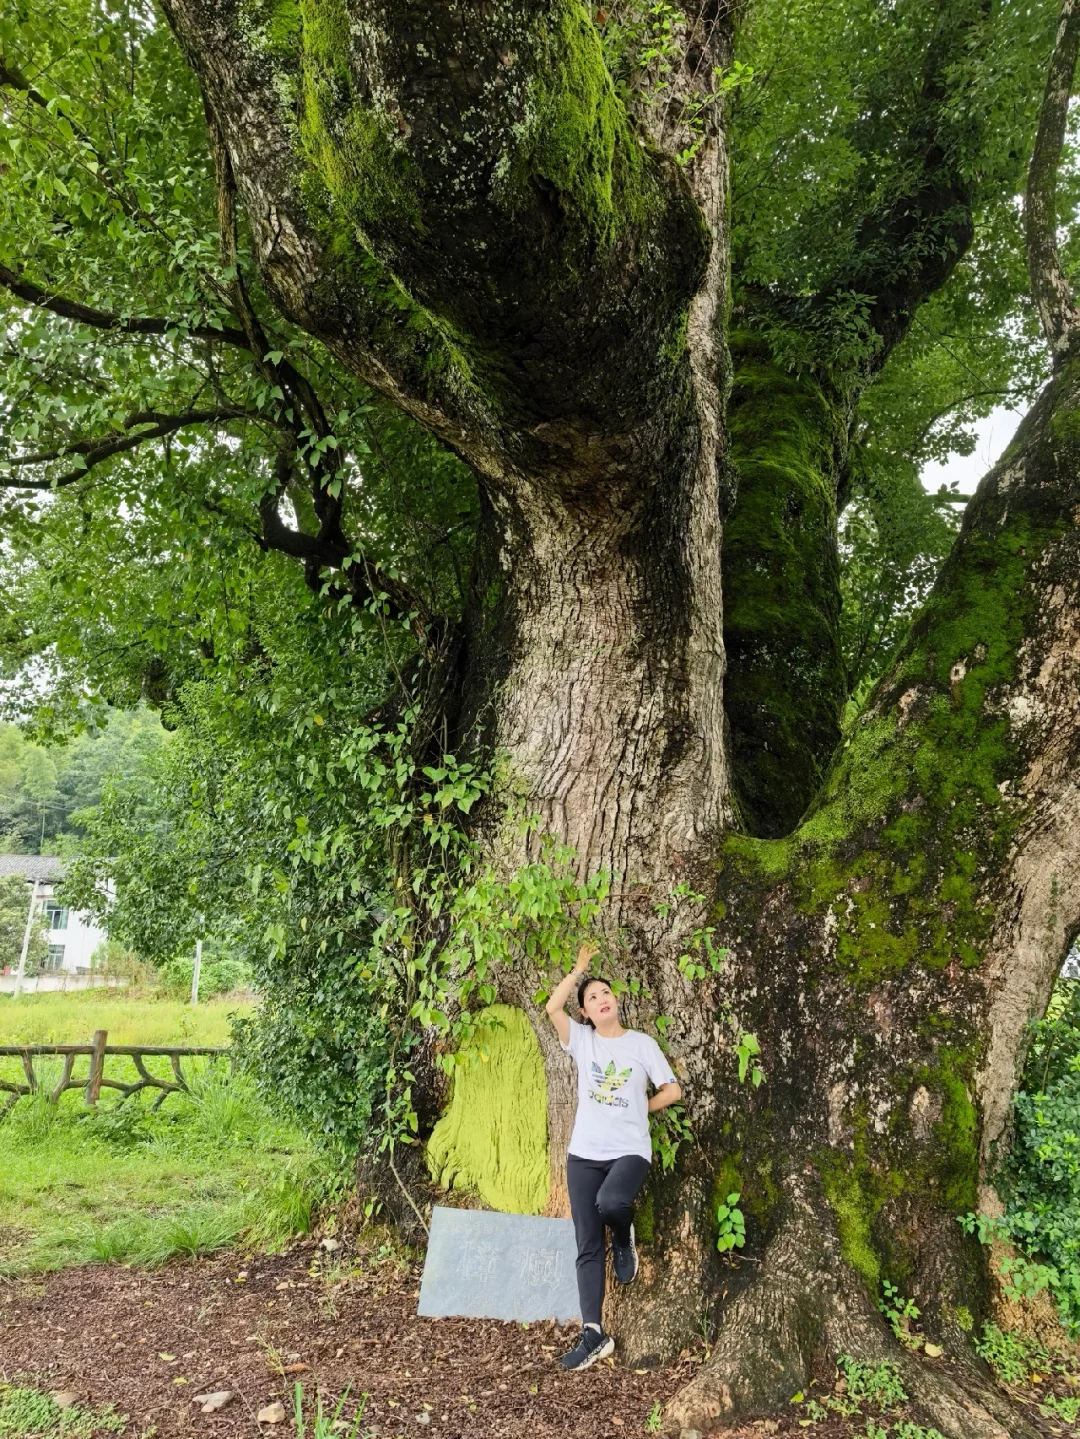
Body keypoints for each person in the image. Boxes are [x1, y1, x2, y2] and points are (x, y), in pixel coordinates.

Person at [544, 941, 683, 1371]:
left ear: (616, 1001)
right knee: (586, 1244)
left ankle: (623, 1238)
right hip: (583, 1155)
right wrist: (578, 970)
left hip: (629, 1151)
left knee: (612, 1204)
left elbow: (672, 1091)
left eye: (605, 993)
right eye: (591, 998)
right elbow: (552, 1009)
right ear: (585, 1012)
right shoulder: (582, 1042)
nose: (600, 999)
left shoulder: (642, 1044)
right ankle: (593, 1334)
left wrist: (641, 1107)